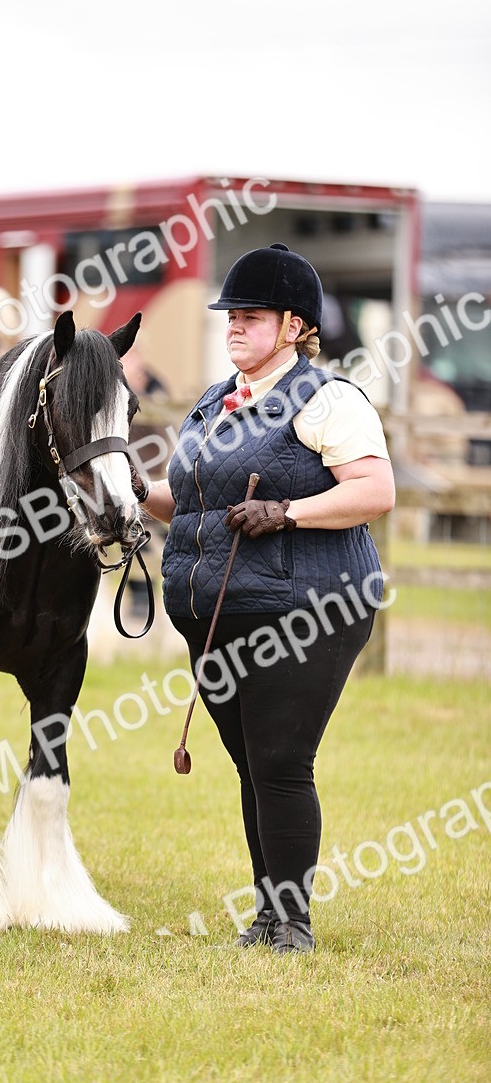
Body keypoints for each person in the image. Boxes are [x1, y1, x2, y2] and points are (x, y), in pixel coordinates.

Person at [135, 243, 395, 954]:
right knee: (252, 764)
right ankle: (267, 915)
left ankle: (294, 926)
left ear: (292, 326)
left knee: (281, 760)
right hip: (218, 610)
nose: (235, 327)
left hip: (309, 606)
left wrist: (288, 512)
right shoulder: (214, 405)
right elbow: (186, 504)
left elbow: (374, 491)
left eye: (250, 316)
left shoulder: (327, 398)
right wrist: (131, 493)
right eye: (232, 316)